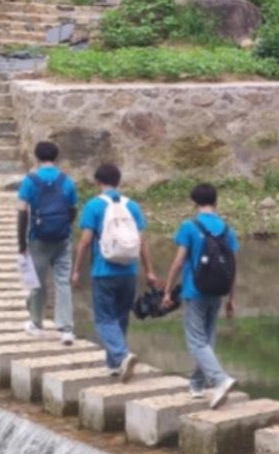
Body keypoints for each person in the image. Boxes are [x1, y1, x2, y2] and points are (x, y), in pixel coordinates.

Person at [71, 163, 160, 382]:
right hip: (129, 270)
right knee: (121, 317)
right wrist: (149, 271)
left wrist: (76, 269)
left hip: (103, 272)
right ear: (118, 181)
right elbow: (142, 241)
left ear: (97, 182)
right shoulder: (133, 206)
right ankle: (113, 365)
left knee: (104, 319)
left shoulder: (94, 206)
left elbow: (85, 241)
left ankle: (121, 355)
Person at [161, 183, 238, 409]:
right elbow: (233, 266)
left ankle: (220, 380)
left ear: (194, 203)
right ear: (216, 202)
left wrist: (167, 290)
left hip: (195, 291)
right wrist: (231, 298)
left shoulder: (189, 227)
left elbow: (178, 262)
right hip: (218, 291)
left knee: (196, 341)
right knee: (207, 339)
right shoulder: (227, 229)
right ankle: (197, 384)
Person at [17, 141, 78, 345]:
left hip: (38, 238)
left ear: (36, 157)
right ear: (56, 157)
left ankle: (36, 323)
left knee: (38, 283)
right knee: (62, 282)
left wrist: (22, 244)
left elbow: (22, 212)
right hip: (63, 238)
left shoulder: (30, 181)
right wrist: (65, 228)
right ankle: (66, 329)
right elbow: (72, 209)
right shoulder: (66, 181)